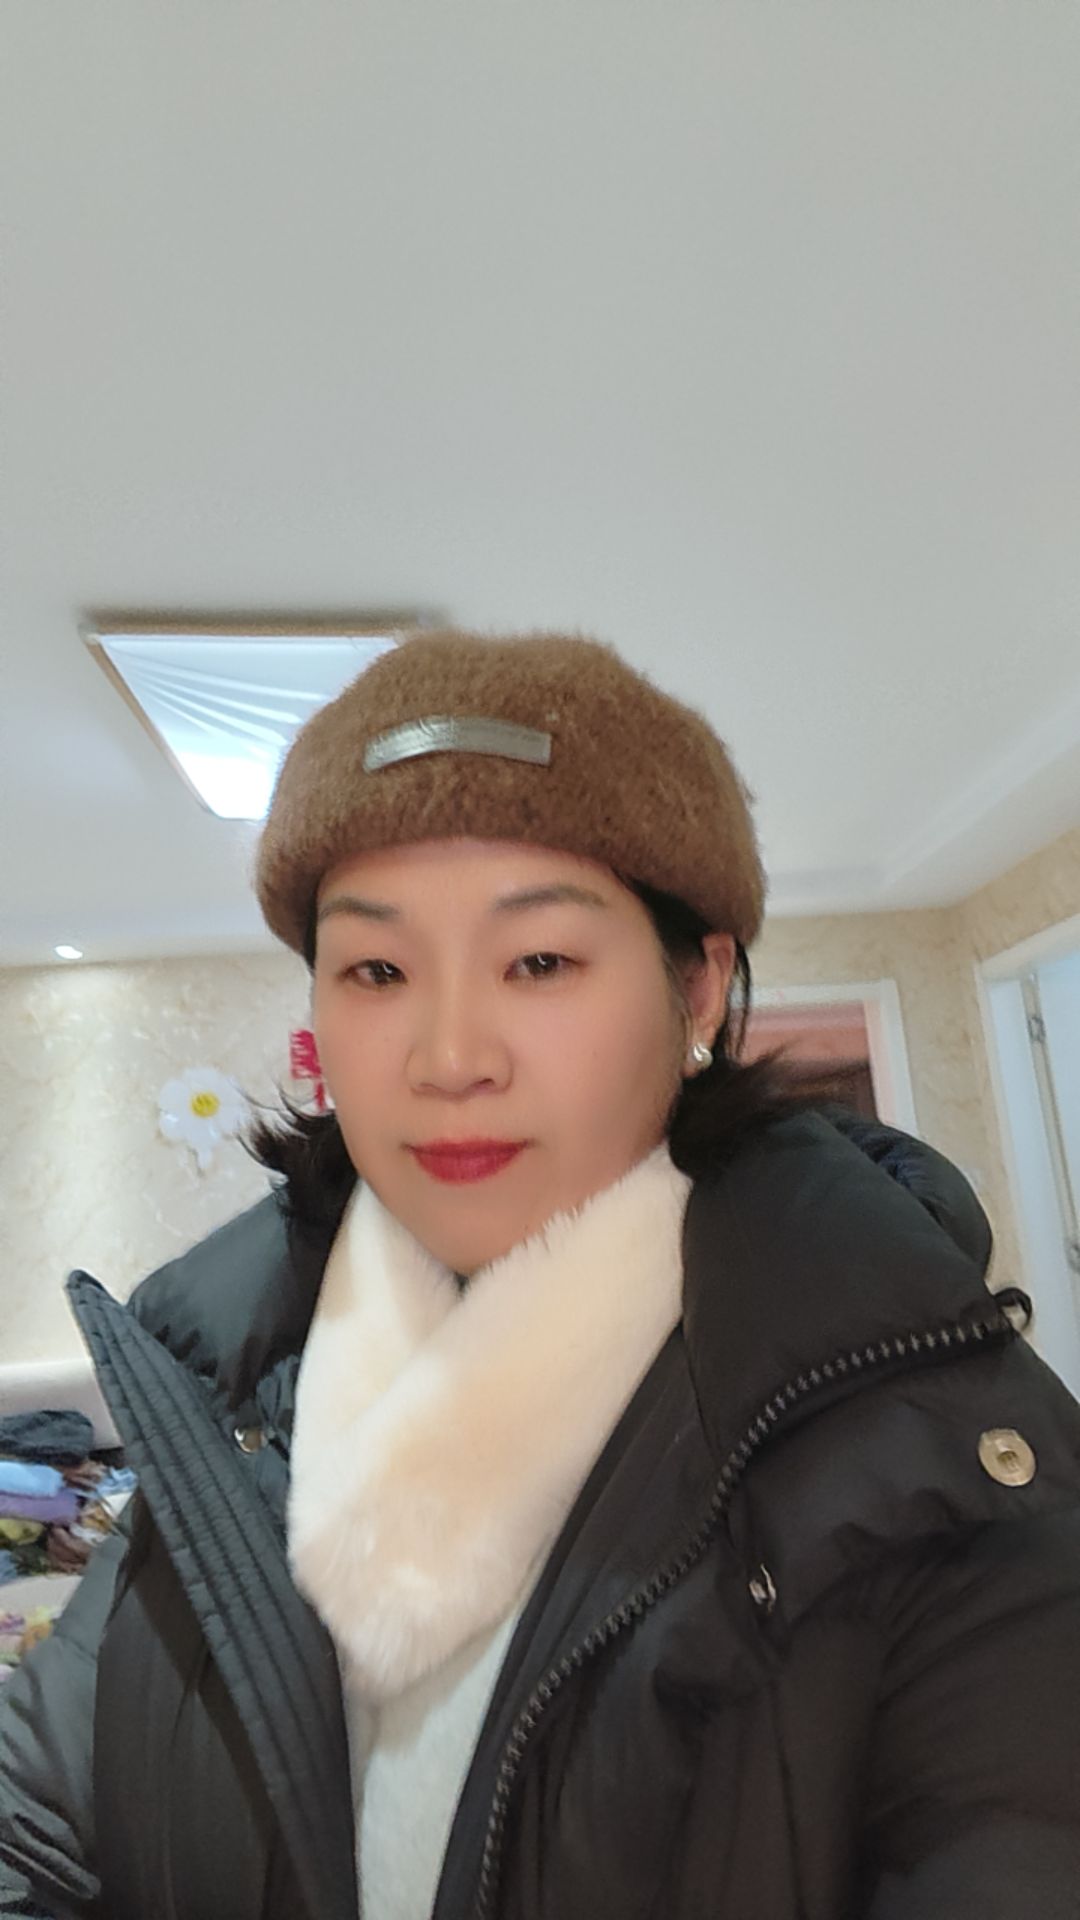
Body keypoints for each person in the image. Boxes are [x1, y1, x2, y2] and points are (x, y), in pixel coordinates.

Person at [2, 628, 1079, 1920]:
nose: (451, 1056)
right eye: (379, 970)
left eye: (540, 962)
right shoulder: (223, 1401)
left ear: (698, 994)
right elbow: (36, 1826)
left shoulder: (944, 1475)